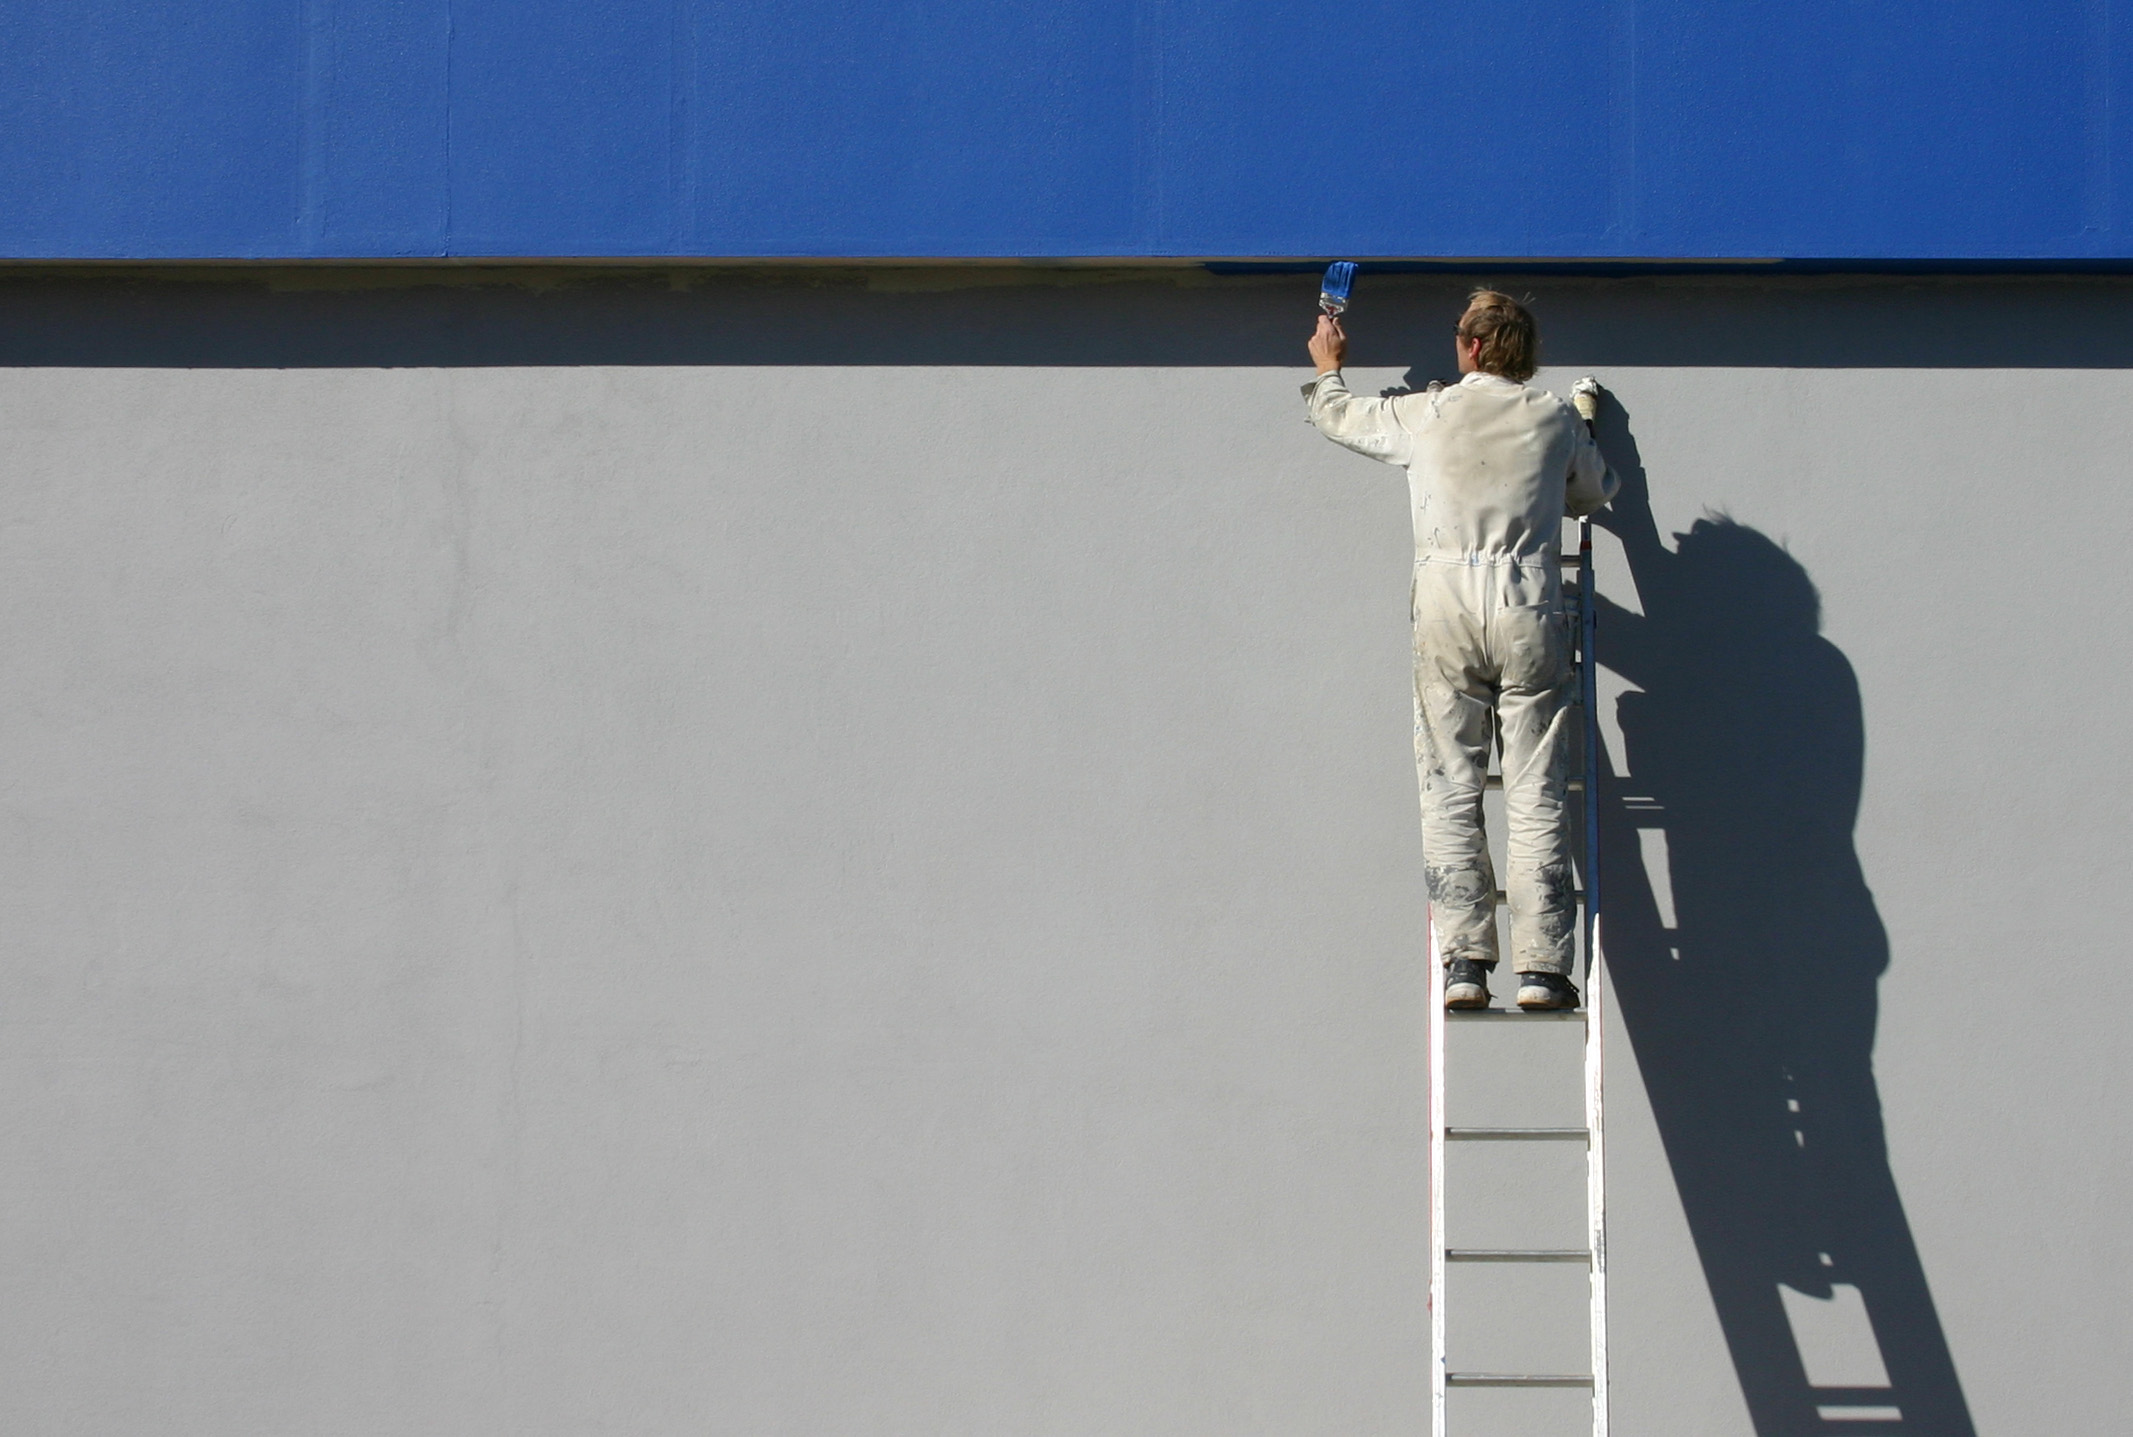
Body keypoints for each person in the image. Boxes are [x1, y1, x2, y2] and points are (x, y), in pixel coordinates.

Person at [1303, 290, 1616, 1010]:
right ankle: (1541, 969)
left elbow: (1339, 417)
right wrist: (1582, 434)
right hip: (1527, 600)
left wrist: (1327, 367)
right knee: (1535, 789)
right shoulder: (1552, 417)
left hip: (1445, 602)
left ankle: (1465, 962)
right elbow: (1593, 492)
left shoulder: (1429, 412)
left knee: (1450, 783)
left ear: (1472, 347)